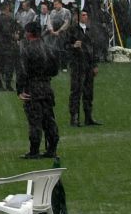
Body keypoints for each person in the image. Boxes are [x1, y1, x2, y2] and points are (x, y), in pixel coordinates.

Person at [17, 21, 61, 160]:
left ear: (29, 33)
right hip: (47, 86)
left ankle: (34, 151)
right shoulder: (49, 48)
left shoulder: (27, 50)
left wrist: (19, 89)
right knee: (49, 120)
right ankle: (52, 149)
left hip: (33, 88)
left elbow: (22, 71)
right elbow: (55, 70)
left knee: (35, 121)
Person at [65, 9, 102, 127]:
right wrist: (73, 46)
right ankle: (74, 117)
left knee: (88, 92)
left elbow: (94, 48)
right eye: (82, 15)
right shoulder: (72, 30)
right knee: (76, 91)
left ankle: (88, 116)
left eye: (86, 15)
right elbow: (65, 46)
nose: (84, 17)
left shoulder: (90, 30)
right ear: (77, 16)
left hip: (89, 64)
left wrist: (95, 64)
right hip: (77, 65)